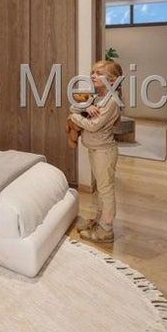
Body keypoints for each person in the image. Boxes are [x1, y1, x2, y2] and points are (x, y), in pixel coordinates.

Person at [68, 60, 124, 243]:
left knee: (106, 190)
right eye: (93, 72)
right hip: (95, 149)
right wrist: (85, 107)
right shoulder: (98, 96)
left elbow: (93, 126)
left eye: (98, 73)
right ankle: (100, 221)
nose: (92, 76)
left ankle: (106, 230)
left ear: (112, 80)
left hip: (104, 152)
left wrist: (74, 117)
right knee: (101, 188)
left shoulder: (112, 101)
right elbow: (73, 106)